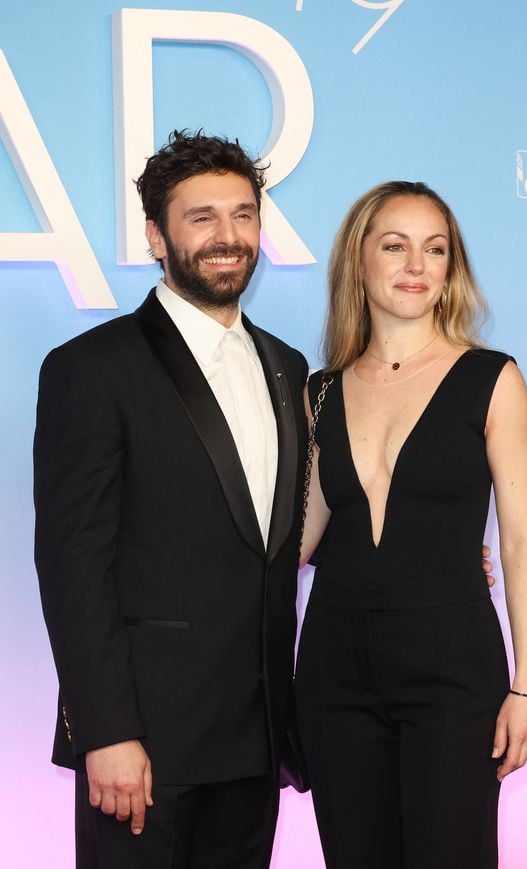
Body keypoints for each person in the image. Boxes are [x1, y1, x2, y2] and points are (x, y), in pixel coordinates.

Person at [33, 130, 309, 868]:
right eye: (202, 217)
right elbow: (72, 564)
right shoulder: (92, 369)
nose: (229, 237)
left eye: (244, 215)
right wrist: (106, 729)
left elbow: (276, 538)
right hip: (144, 747)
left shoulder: (289, 365)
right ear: (157, 236)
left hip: (255, 743)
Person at [296, 181, 527, 869]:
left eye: (434, 248)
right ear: (360, 261)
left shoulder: (493, 379)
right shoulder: (321, 389)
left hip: (451, 666)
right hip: (334, 666)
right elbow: (302, 534)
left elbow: (522, 541)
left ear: (450, 267)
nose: (416, 264)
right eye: (395, 245)